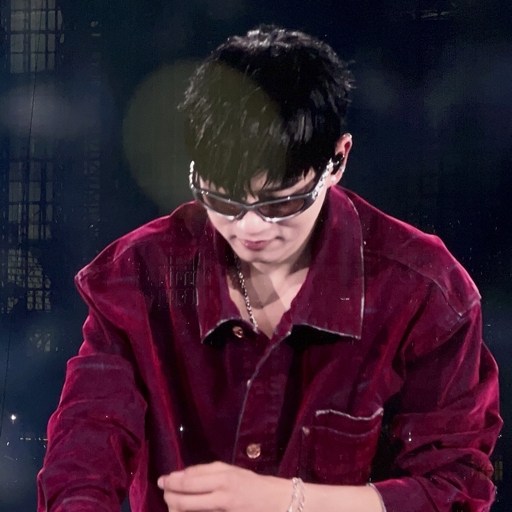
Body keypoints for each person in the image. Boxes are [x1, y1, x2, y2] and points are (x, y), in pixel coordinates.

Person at [37, 25, 502, 512]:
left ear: (337, 160)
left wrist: (287, 501)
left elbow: (453, 487)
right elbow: (83, 455)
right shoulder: (139, 275)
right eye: (223, 200)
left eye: (281, 203)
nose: (250, 227)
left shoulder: (423, 290)